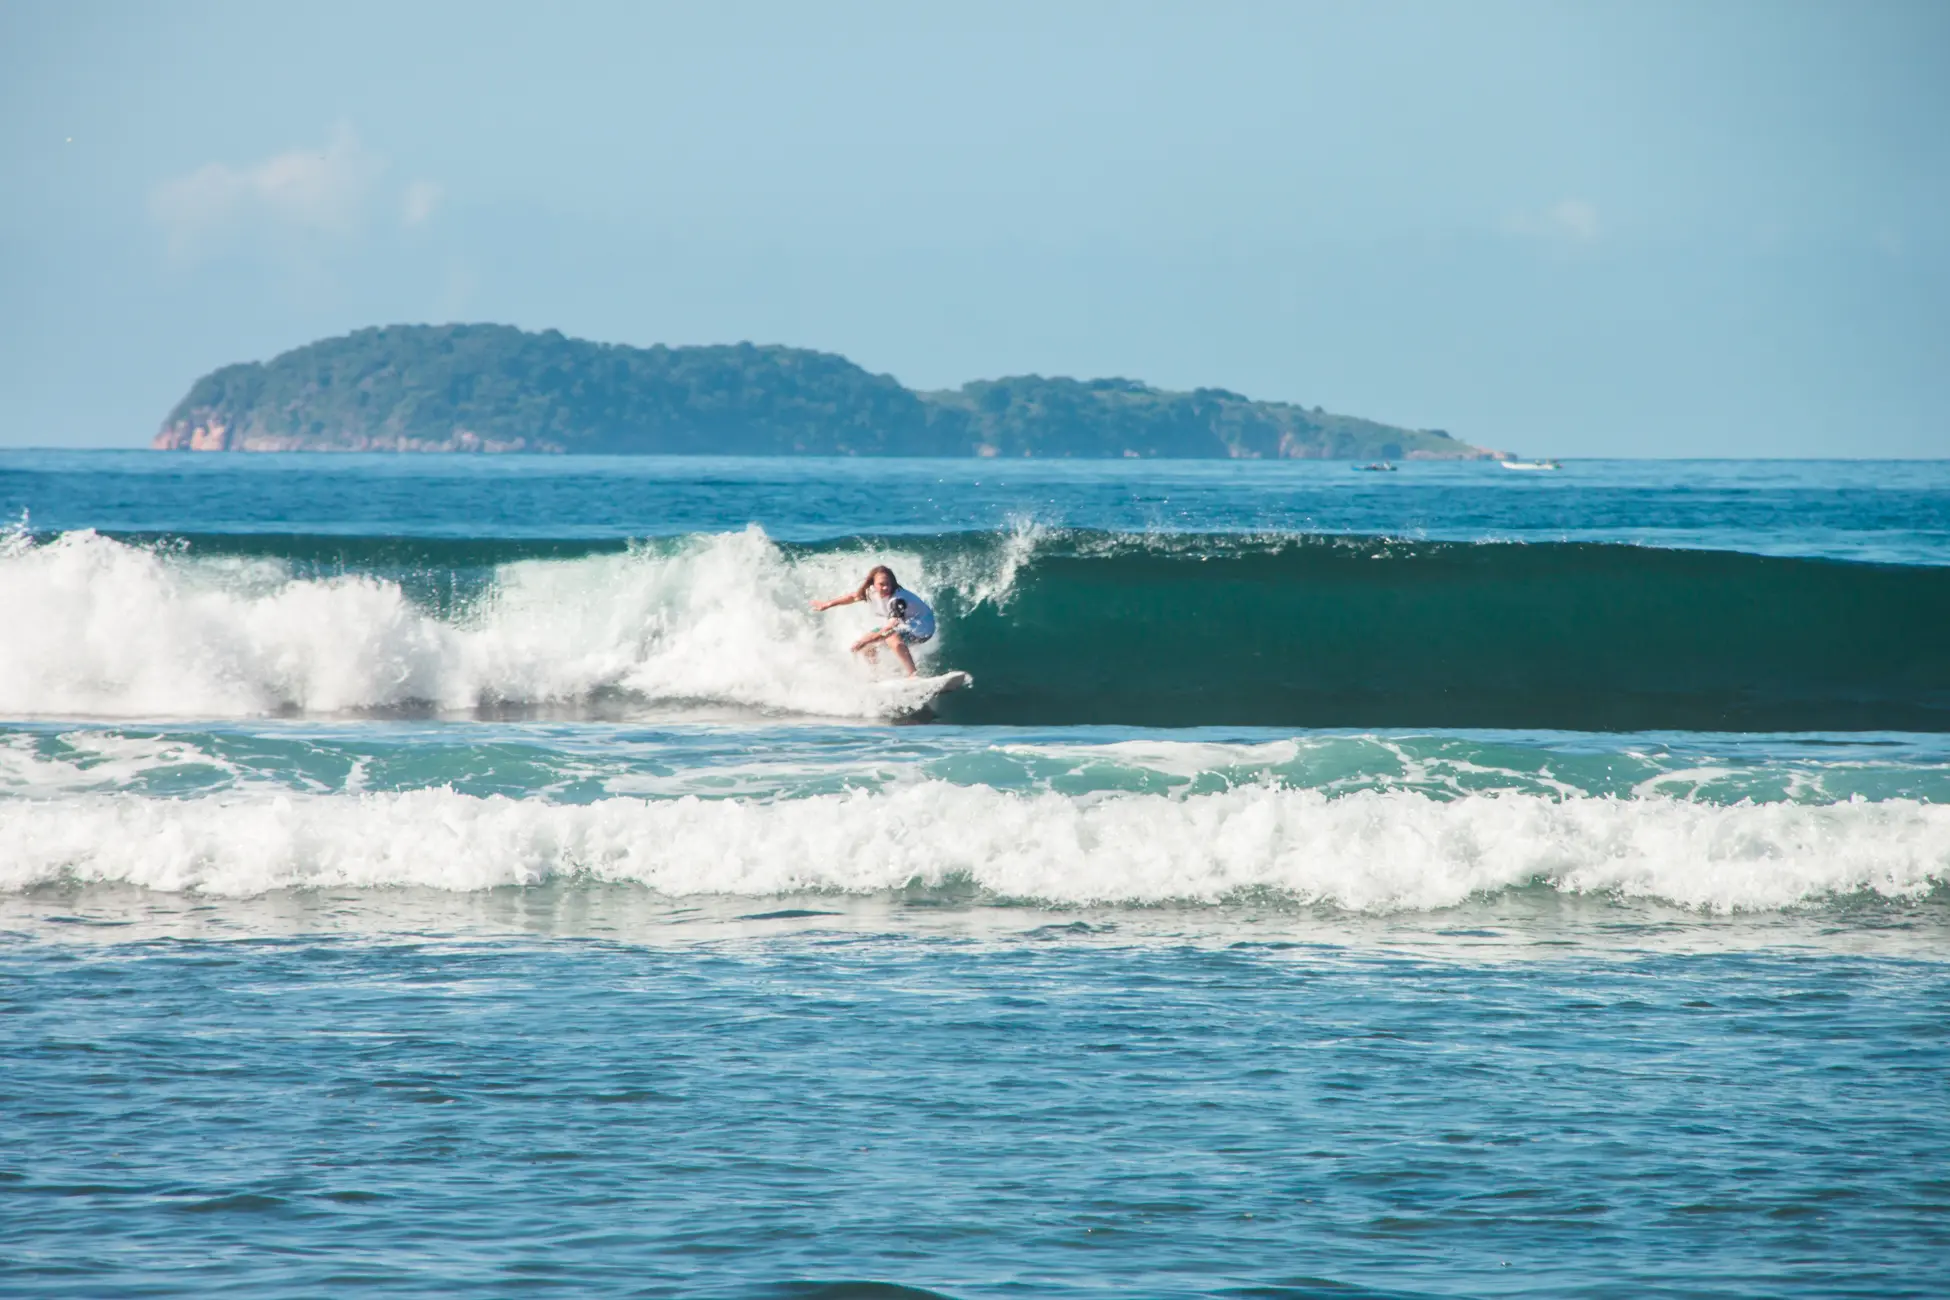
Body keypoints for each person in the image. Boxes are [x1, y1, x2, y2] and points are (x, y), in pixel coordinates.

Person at [811, 565, 936, 677]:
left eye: (889, 584)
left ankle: (913, 675)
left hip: (922, 630)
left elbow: (890, 628)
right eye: (881, 584)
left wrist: (867, 639)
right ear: (873, 584)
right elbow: (853, 597)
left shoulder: (898, 600)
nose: (886, 587)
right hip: (905, 625)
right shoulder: (871, 592)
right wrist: (827, 604)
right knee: (866, 647)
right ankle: (876, 675)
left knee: (890, 636)